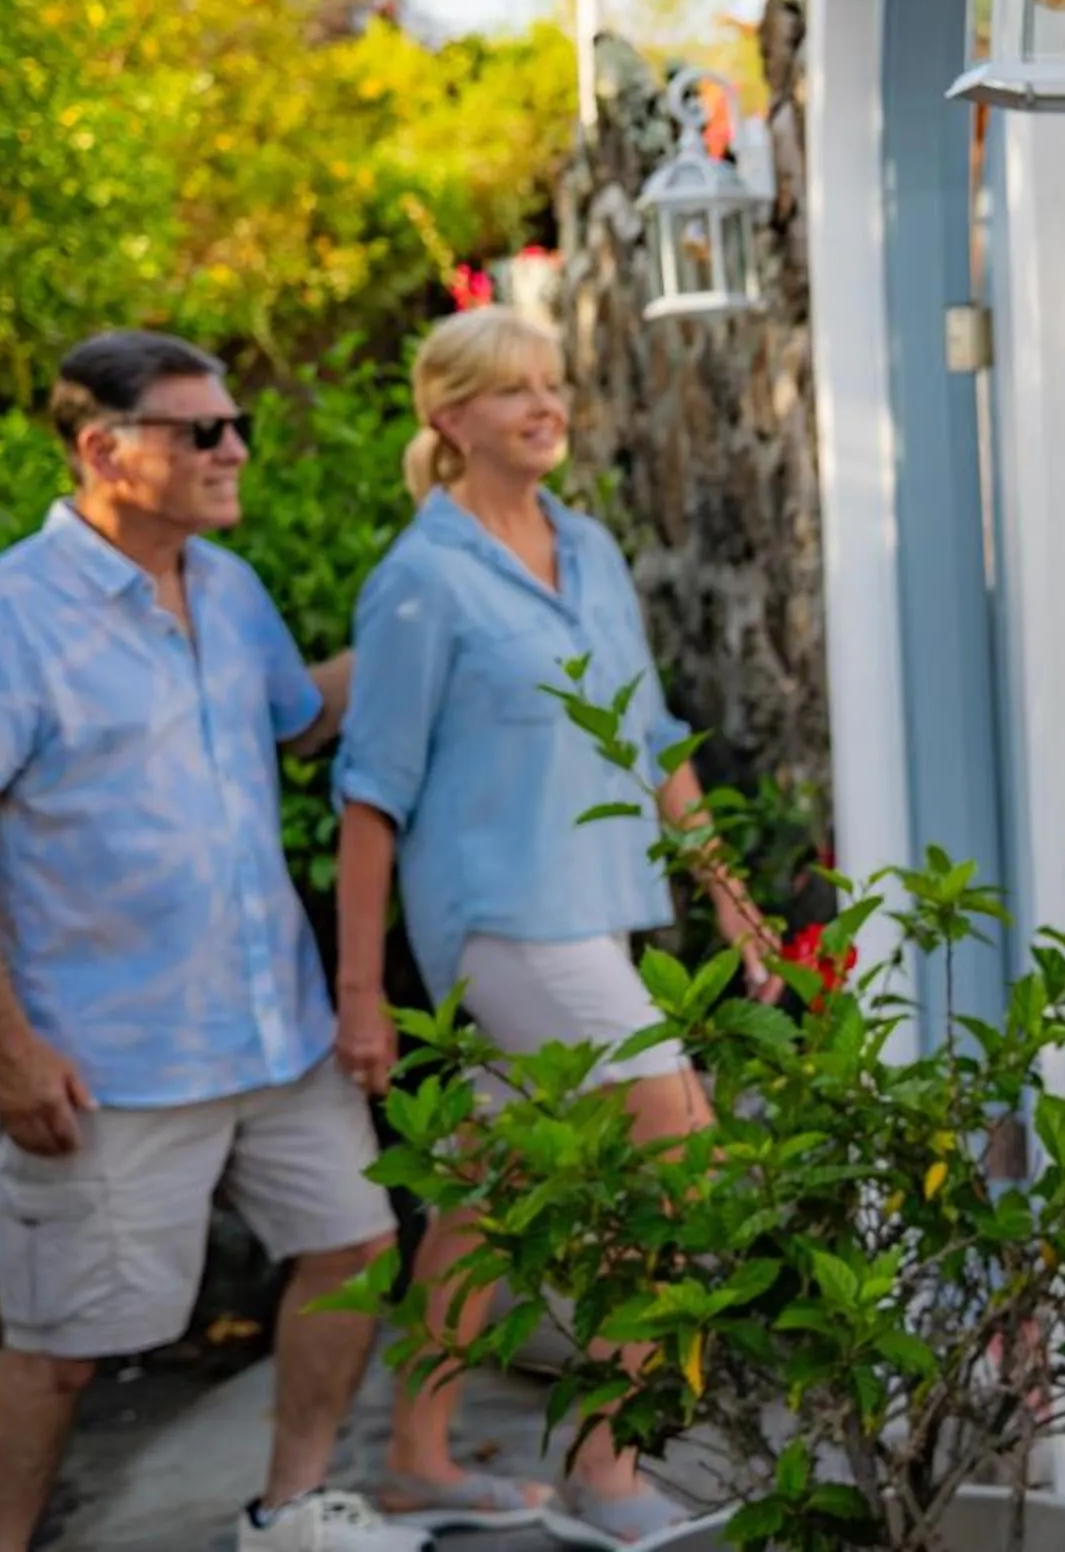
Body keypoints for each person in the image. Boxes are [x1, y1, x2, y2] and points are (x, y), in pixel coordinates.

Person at [0, 331, 430, 1552]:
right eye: (205, 431)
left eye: (234, 425)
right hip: (111, 1059)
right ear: (105, 450)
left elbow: (302, 718)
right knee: (63, 1352)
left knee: (352, 1246)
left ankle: (291, 1511)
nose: (235, 449)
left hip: (276, 1033)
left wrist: (425, 603)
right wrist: (8, 1045)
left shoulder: (230, 587)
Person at [332, 306, 770, 1546]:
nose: (546, 405)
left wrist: (730, 897)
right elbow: (371, 791)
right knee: (679, 1150)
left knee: (484, 1188)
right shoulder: (419, 580)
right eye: (513, 389)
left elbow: (648, 732)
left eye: (554, 383)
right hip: (502, 924)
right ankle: (608, 1463)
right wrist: (363, 993)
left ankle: (417, 1458)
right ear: (449, 416)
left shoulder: (587, 551)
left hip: (595, 913)